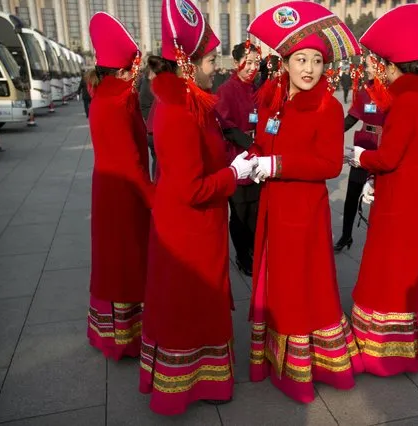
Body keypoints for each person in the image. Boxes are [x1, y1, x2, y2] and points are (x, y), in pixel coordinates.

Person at [139, 0, 258, 416]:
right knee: (190, 308)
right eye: (209, 60)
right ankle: (186, 384)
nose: (215, 66)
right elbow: (191, 187)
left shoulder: (194, 105)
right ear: (187, 66)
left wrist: (230, 163)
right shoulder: (177, 112)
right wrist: (235, 173)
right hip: (189, 228)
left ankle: (198, 379)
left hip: (198, 225)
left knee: (193, 307)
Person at [246, 1, 364, 403]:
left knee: (302, 286)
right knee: (278, 283)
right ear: (286, 62)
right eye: (301, 59)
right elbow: (263, 143)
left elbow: (330, 164)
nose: (309, 68)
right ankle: (274, 359)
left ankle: (302, 372)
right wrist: (250, 159)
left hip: (304, 213)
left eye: (316, 60)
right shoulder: (272, 101)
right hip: (273, 207)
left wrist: (276, 163)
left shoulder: (328, 107)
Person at [348, 3, 418, 377]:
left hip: (398, 195)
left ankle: (383, 352)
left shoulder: (407, 102)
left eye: (388, 67)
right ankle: (408, 347)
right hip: (415, 191)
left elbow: (390, 157)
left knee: (389, 265)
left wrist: (361, 157)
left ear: (397, 67)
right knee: (408, 261)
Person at [86, 12, 153, 361]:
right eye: (133, 70)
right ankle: (126, 338)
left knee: (113, 259)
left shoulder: (104, 96)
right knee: (127, 261)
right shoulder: (118, 102)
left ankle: (110, 333)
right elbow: (131, 160)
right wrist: (155, 198)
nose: (136, 76)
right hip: (125, 192)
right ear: (123, 71)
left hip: (109, 190)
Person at [215, 41, 262, 276]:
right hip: (238, 157)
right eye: (248, 62)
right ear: (235, 63)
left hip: (259, 157)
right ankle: (242, 256)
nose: (252, 67)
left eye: (256, 62)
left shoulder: (258, 89)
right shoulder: (226, 90)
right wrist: (251, 144)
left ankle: (253, 249)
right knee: (240, 213)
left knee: (256, 210)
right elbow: (226, 127)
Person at [334, 59, 386, 252]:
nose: (367, 70)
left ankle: (378, 240)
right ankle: (346, 235)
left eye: (371, 66)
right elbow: (351, 119)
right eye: (367, 66)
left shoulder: (393, 92)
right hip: (363, 145)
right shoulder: (365, 92)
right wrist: (328, 132)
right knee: (352, 194)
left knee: (377, 197)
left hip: (382, 146)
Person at [139, 66, 157, 178]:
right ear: (151, 73)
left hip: (150, 128)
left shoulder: (146, 83)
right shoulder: (150, 86)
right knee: (157, 159)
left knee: (156, 158)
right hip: (153, 129)